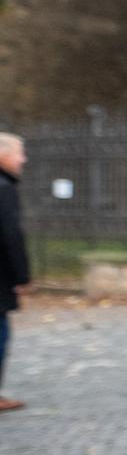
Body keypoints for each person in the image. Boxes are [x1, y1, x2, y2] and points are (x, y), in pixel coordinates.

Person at [0, 133, 29, 413]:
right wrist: (22, 276)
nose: (24, 159)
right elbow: (11, 235)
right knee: (0, 332)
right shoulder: (4, 187)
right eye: (19, 152)